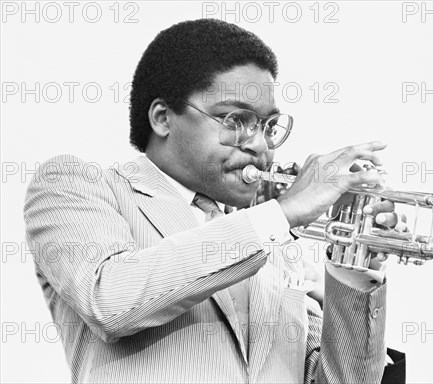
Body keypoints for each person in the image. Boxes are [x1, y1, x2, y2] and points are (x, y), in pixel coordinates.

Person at [24, 19, 404, 383]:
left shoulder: (277, 243)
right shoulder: (76, 184)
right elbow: (109, 299)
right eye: (234, 120)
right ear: (162, 118)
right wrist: (282, 214)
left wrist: (352, 271)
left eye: (268, 126)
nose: (258, 145)